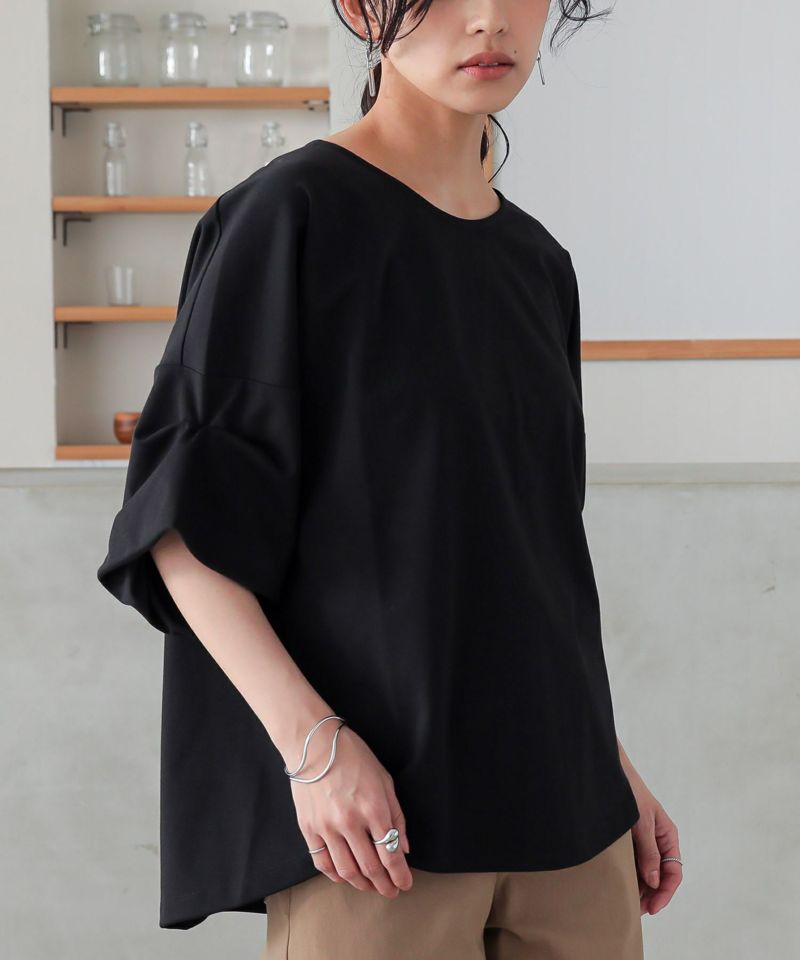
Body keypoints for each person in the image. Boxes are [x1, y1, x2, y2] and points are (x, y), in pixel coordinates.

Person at [97, 0, 684, 955]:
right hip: (380, 834)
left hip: (573, 823)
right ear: (361, 8)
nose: (488, 19)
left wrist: (609, 764)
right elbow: (181, 527)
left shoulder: (538, 264)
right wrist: (315, 751)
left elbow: (521, 555)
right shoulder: (289, 216)